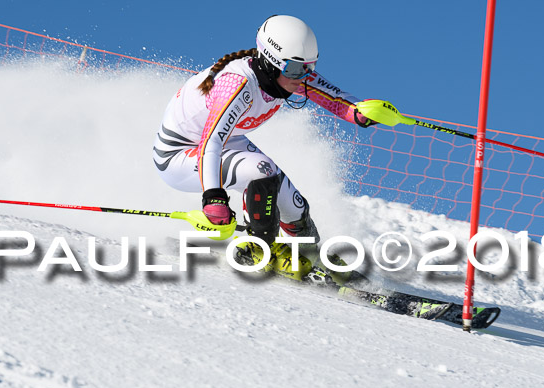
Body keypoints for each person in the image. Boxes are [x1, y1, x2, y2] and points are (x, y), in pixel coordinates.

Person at [152, 14, 376, 278]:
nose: (303, 77)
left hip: (226, 141)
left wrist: (361, 111)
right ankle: (258, 249)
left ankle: (309, 255)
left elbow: (335, 98)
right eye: (295, 69)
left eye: (310, 67)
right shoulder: (237, 84)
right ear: (271, 63)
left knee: (296, 207)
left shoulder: (291, 74)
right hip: (180, 154)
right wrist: (213, 197)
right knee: (263, 171)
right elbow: (211, 141)